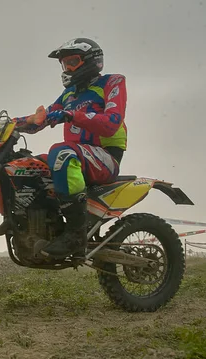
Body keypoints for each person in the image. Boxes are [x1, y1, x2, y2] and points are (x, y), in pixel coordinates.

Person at [13, 37, 128, 258]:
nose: (68, 68)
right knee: (28, 165)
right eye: (64, 64)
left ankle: (76, 234)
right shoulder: (69, 94)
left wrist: (71, 115)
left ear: (92, 61)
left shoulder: (112, 82)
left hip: (105, 158)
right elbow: (40, 119)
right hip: (78, 157)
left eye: (73, 62)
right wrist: (5, 124)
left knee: (61, 152)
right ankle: (23, 222)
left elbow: (112, 121)